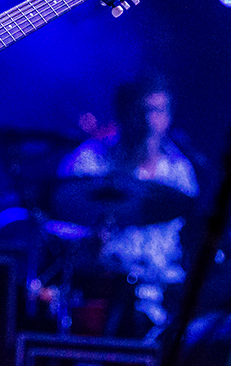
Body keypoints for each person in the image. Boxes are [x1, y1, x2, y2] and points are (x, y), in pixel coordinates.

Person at [54, 75, 199, 337]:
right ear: (122, 114)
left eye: (158, 111)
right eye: (141, 111)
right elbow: (56, 222)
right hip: (97, 290)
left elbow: (192, 237)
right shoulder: (91, 161)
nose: (148, 121)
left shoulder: (179, 171)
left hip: (162, 296)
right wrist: (87, 241)